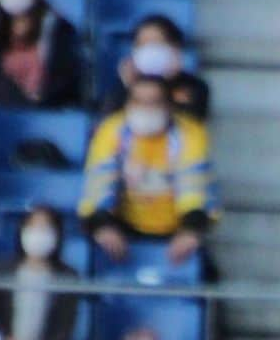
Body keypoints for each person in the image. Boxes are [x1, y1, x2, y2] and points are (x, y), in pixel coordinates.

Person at [78, 74, 219, 267]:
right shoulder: (111, 130)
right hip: (124, 226)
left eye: (154, 102)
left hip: (176, 227)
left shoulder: (190, 133)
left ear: (169, 106)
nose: (145, 108)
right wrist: (102, 224)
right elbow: (100, 180)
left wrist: (191, 229)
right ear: (128, 104)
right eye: (139, 101)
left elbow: (193, 183)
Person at [0, 206, 79, 340]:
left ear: (57, 234)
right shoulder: (0, 272)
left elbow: (64, 325)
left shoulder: (68, 278)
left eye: (45, 228)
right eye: (33, 227)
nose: (38, 233)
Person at [100, 14, 210, 122]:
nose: (149, 50)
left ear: (175, 47)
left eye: (155, 43)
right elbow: (110, 122)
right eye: (142, 44)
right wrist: (129, 88)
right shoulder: (124, 86)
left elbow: (190, 122)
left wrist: (169, 82)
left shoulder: (195, 87)